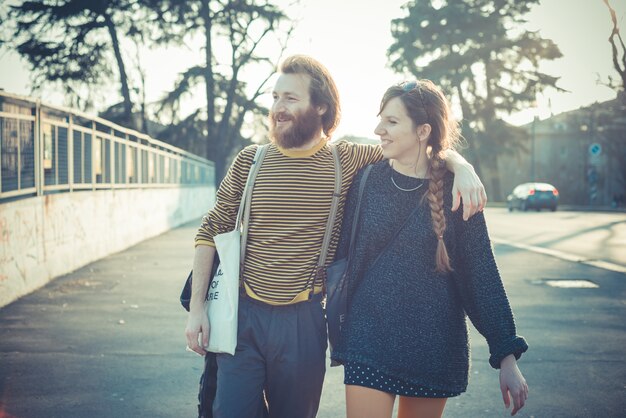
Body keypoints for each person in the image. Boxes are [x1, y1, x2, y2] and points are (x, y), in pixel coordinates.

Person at [185, 55, 487, 418]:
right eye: (275, 97)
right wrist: (198, 308)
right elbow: (211, 228)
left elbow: (416, 146)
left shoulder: (346, 159)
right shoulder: (251, 160)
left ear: (321, 107)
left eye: (290, 99)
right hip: (242, 315)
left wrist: (461, 165)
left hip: (303, 319)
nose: (278, 108)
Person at [330, 80, 529, 418]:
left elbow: (479, 275)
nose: (379, 129)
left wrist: (506, 355)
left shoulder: (456, 191)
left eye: (392, 122)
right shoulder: (366, 180)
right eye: (381, 119)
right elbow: (339, 255)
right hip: (369, 337)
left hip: (432, 346)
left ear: (422, 130)